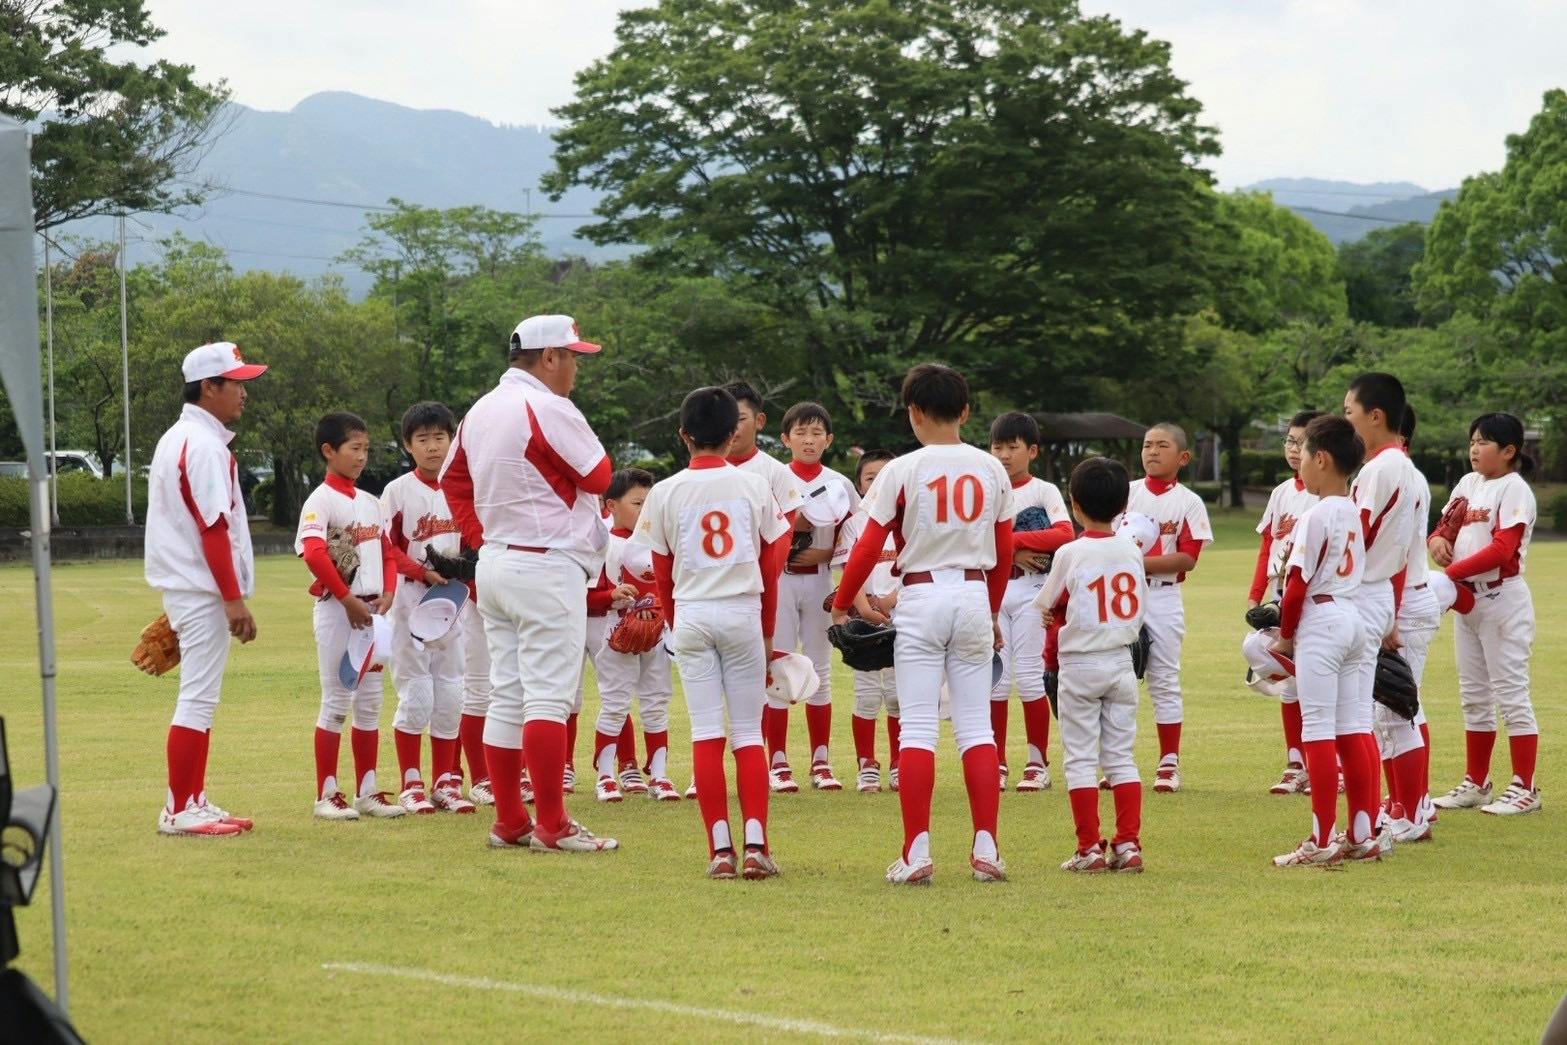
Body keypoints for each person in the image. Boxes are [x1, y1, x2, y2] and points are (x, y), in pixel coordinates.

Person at [441, 314, 618, 852]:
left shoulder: (480, 408)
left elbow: (453, 479)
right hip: (545, 564)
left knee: (508, 696)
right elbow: (600, 475)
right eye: (573, 357)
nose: (576, 368)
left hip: (497, 560)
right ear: (549, 357)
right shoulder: (547, 405)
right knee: (547, 698)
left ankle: (511, 821)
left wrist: (480, 539)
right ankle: (553, 824)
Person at [833, 363, 1015, 885]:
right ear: (965, 411)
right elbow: (1004, 551)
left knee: (917, 728)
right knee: (977, 728)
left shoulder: (902, 469)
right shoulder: (991, 468)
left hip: (921, 594)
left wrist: (843, 603)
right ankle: (986, 849)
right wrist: (993, 610)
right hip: (973, 592)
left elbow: (868, 544)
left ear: (913, 411)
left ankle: (917, 852)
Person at [632, 386, 792, 878]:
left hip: (692, 611)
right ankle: (756, 845)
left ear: (684, 435)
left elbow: (660, 572)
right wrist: (767, 629)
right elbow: (772, 562)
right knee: (747, 733)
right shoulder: (752, 485)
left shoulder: (664, 492)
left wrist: (674, 622)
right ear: (731, 433)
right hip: (742, 610)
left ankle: (720, 851)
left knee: (706, 731)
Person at [145, 341, 267, 836]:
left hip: (192, 586)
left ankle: (191, 798)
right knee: (197, 697)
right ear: (209, 387)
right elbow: (213, 527)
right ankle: (180, 808)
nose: (244, 392)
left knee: (202, 696)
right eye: (237, 382)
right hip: (202, 588)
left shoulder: (181, 437)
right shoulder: (203, 444)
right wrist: (233, 600)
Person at [1269, 414, 1381, 865]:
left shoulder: (1315, 513)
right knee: (1353, 727)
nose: (1299, 463)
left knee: (1317, 729)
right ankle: (1362, 834)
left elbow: (1297, 583)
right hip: (1353, 616)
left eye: (1305, 455)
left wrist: (1285, 637)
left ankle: (1321, 840)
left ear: (1322, 459)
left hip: (1322, 619)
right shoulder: (1352, 508)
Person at [1035, 457, 1147, 873]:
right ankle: (1128, 844)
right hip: (1121, 658)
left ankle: (1088, 849)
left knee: (1081, 758)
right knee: (1121, 756)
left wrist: (1052, 617)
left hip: (1080, 663)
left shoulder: (1071, 551)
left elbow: (1047, 603)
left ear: (1075, 504)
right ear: (1123, 507)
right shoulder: (1131, 549)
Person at [1429, 412, 1541, 816]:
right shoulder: (1469, 483)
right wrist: (1436, 540)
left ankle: (1526, 787)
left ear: (1509, 450)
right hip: (1467, 600)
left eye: (1484, 441)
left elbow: (1501, 550)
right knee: (1474, 695)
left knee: (1511, 693)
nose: (1474, 448)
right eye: (1472, 441)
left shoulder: (1514, 489)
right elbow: (1445, 526)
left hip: (1502, 599)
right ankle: (1477, 783)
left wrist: (1449, 574)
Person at [297, 411, 404, 821]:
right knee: (337, 701)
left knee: (372, 702)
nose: (362, 456)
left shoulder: (371, 503)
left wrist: (390, 591)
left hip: (374, 612)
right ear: (329, 450)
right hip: (339, 611)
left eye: (366, 449)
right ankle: (326, 794)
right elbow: (314, 553)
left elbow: (388, 552)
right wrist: (346, 598)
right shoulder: (320, 500)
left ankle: (368, 792)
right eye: (354, 448)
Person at [381, 401, 474, 815]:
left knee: (452, 693)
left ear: (452, 441)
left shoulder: (465, 487)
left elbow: (477, 539)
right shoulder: (398, 491)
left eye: (440, 437)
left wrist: (469, 567)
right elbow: (385, 546)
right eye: (423, 439)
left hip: (454, 599)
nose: (433, 446)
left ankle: (446, 782)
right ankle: (411, 783)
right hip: (410, 600)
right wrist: (420, 571)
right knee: (417, 694)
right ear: (408, 445)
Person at [1343, 372, 1424, 847]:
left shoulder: (1379, 469)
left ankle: (1401, 816)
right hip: (1383, 592)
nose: (1346, 420)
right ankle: (1400, 812)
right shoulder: (1404, 467)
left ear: (1375, 416)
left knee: (1381, 713)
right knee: (1384, 711)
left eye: (1349, 411)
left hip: (1367, 590)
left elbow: (1357, 537)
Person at [721, 380, 807, 792]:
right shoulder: (701, 471)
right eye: (726, 418)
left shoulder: (775, 472)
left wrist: (761, 578)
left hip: (761, 589)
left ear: (760, 421)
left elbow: (785, 534)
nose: (732, 427)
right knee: (712, 683)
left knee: (761, 677)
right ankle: (709, 770)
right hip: (711, 591)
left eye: (740, 418)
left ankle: (769, 762)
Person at [770, 400, 859, 791]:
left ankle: (821, 761)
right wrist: (795, 527)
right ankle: (778, 762)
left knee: (820, 670)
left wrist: (827, 554)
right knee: (779, 665)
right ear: (785, 438)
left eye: (816, 433)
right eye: (801, 432)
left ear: (829, 439)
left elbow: (856, 536)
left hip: (821, 581)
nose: (808, 440)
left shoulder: (840, 483)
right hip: (781, 581)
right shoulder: (773, 478)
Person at [989, 411, 1074, 792]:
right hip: (994, 591)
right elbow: (972, 539)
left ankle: (1038, 762)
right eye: (997, 447)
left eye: (1013, 447)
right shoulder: (986, 488)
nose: (1004, 455)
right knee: (995, 681)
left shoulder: (1043, 490)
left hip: (1033, 590)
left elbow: (1064, 534)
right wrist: (1013, 550)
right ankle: (996, 762)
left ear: (1033, 451)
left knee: (1027, 677)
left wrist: (1012, 543)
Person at [1126, 423, 1213, 791]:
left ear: (1183, 457)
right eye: (1148, 445)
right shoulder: (1126, 492)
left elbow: (1188, 557)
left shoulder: (1188, 501)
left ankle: (1168, 762)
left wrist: (1133, 562)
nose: (1152, 451)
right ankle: (1119, 760)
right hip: (1123, 593)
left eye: (1162, 445)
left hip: (1162, 595)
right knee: (1119, 677)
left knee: (1163, 678)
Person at [591, 468, 681, 802]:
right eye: (636, 503)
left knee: (656, 701)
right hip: (617, 630)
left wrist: (656, 605)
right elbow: (587, 594)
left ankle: (659, 775)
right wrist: (611, 596)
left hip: (657, 630)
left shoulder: (660, 540)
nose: (644, 510)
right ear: (611, 505)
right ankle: (605, 775)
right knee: (615, 702)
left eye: (648, 503)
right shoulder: (602, 543)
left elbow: (672, 585)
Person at [1249, 410, 1322, 794]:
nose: (1294, 449)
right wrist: (1255, 593)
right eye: (1290, 441)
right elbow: (1268, 545)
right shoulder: (1281, 493)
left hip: (1313, 597)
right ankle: (1297, 764)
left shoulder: (1327, 493)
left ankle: (1328, 766)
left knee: (1312, 682)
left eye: (1302, 442)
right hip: (1280, 594)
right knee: (1292, 683)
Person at [833, 449, 902, 793]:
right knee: (867, 695)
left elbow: (915, 568)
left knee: (898, 696)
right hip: (865, 617)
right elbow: (850, 570)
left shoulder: (908, 518)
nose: (877, 484)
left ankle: (899, 763)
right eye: (870, 478)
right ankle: (867, 764)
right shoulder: (854, 524)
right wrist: (864, 605)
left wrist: (890, 601)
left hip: (902, 615)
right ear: (859, 485)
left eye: (885, 476)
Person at [1389, 405, 1438, 836]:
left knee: (1396, 708)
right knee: (1403, 706)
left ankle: (1412, 811)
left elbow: (1396, 553)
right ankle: (1411, 803)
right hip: (1407, 598)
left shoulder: (1395, 473)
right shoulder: (1402, 472)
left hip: (1404, 601)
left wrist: (1387, 613)